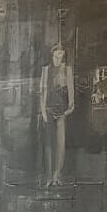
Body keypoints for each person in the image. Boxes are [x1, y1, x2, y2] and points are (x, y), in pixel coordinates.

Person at [40, 43, 74, 186]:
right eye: (57, 54)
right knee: (48, 144)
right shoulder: (46, 70)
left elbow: (71, 93)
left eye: (62, 54)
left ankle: (56, 175)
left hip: (62, 111)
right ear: (52, 55)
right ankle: (48, 175)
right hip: (47, 110)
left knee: (60, 143)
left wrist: (68, 109)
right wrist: (43, 112)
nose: (59, 57)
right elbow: (42, 92)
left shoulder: (67, 70)